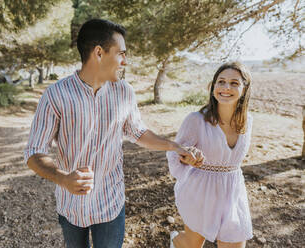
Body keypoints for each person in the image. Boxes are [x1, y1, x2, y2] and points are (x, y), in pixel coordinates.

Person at [24, 19, 196, 248]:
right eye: (121, 53)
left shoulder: (125, 92)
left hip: (110, 204)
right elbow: (34, 153)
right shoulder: (56, 95)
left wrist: (175, 146)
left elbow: (138, 132)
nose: (125, 61)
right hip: (70, 205)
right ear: (98, 53)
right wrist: (63, 178)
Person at [167, 62, 254, 248]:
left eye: (234, 83)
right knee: (192, 244)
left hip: (232, 190)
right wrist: (187, 157)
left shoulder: (248, 121)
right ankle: (175, 240)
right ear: (213, 86)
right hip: (201, 191)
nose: (226, 88)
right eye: (221, 81)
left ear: (244, 89)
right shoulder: (196, 120)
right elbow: (175, 153)